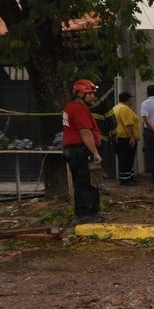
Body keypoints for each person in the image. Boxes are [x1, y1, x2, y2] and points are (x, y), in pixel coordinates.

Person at [61, 78, 105, 223]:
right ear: (80, 94)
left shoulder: (70, 107)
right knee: (87, 182)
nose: (93, 96)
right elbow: (85, 132)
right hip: (81, 151)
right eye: (90, 93)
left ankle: (90, 213)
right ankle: (85, 214)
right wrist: (95, 153)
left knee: (83, 182)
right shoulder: (79, 109)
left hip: (73, 151)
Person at [111, 91, 141, 185]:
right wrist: (132, 137)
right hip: (126, 138)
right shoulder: (125, 109)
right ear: (128, 99)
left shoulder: (116, 107)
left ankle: (128, 177)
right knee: (127, 159)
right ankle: (125, 179)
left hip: (119, 138)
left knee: (124, 159)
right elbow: (128, 124)